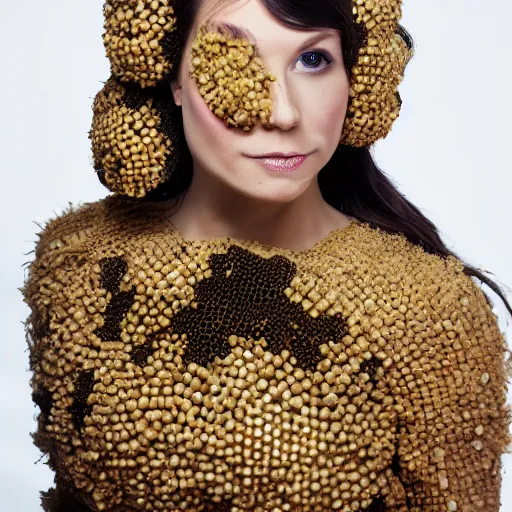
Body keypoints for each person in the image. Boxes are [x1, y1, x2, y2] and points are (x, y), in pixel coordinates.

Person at [23, 0, 512, 511]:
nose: (283, 112)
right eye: (233, 55)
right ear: (172, 76)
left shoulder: (429, 311)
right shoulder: (77, 266)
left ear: (357, 76)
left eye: (313, 60)